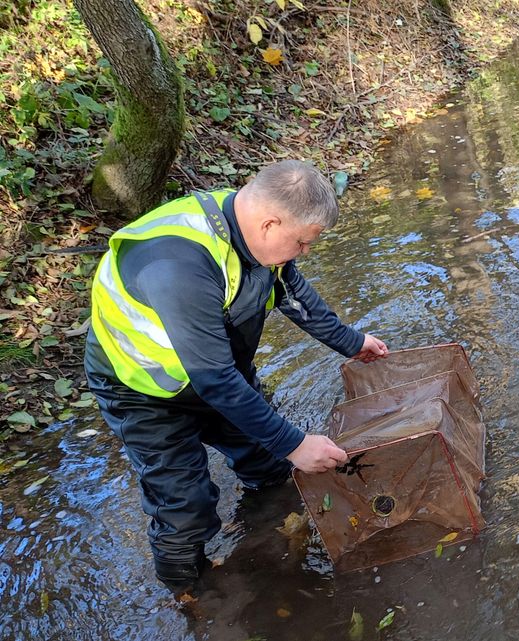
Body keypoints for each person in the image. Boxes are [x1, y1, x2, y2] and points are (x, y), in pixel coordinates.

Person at [83, 160, 388, 592]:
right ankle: (189, 594)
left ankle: (269, 539)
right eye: (302, 242)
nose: (304, 252)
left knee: (267, 463)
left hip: (218, 371)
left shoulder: (251, 229)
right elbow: (216, 380)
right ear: (270, 223)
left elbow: (292, 291)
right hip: (143, 391)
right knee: (185, 507)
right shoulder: (177, 265)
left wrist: (351, 341)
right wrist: (296, 443)